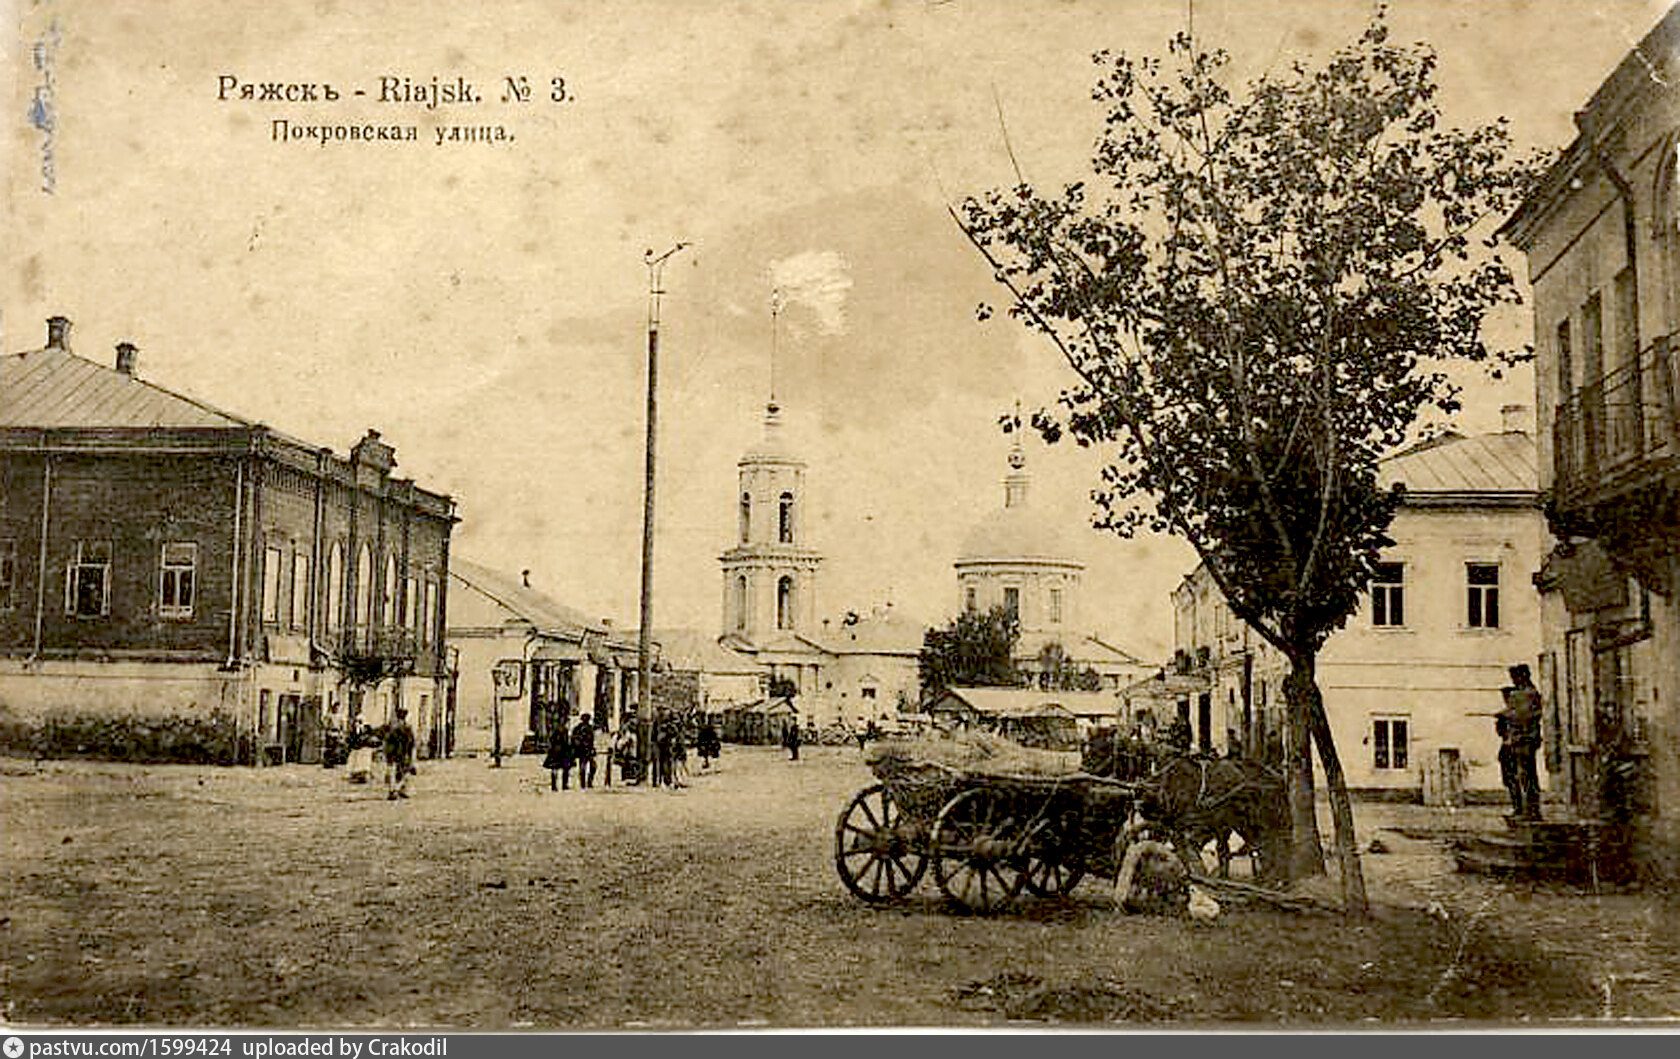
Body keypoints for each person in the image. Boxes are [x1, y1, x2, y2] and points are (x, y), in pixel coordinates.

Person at [1497, 663, 1544, 820]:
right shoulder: (1524, 694)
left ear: (1523, 676)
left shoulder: (1528, 694)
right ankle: (1526, 810)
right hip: (1519, 740)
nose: (1514, 681)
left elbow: (1523, 716)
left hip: (1524, 741)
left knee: (1526, 777)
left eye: (1516, 677)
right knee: (1522, 776)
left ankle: (1530, 811)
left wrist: (1506, 715)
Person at [383, 708, 415, 800]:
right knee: (400, 772)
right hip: (399, 753)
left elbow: (387, 741)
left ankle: (398, 790)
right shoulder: (405, 728)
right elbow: (411, 743)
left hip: (397, 753)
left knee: (400, 772)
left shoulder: (396, 728)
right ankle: (395, 790)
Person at [543, 713, 574, 791]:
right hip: (563, 750)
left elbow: (550, 739)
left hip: (554, 750)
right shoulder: (564, 730)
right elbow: (566, 741)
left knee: (554, 768)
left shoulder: (554, 729)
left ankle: (554, 786)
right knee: (566, 768)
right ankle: (564, 785)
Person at [571, 715, 597, 790]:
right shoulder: (586, 728)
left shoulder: (578, 728)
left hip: (584, 749)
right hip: (584, 749)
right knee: (587, 766)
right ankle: (586, 783)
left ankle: (586, 783)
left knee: (589, 766)